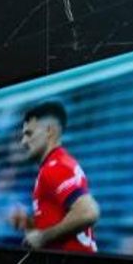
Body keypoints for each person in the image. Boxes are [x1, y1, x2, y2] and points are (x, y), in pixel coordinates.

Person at [9, 100, 99, 252]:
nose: (23, 141)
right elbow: (63, 224)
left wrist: (43, 237)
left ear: (49, 131)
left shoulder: (56, 166)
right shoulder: (56, 164)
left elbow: (88, 212)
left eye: (29, 134)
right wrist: (30, 223)